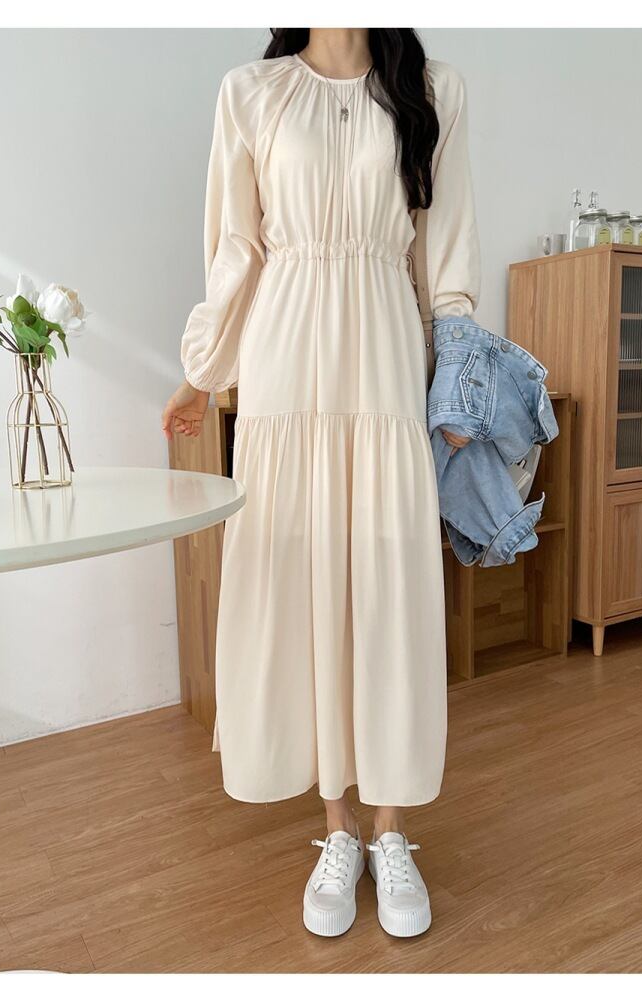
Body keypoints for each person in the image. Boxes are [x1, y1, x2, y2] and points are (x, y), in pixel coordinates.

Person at [162, 27, 480, 939]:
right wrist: (202, 374)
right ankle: (337, 829)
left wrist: (456, 379)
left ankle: (391, 831)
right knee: (300, 588)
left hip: (384, 354)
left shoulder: (433, 88)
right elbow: (237, 248)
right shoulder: (251, 91)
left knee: (387, 590)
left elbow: (446, 252)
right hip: (285, 361)